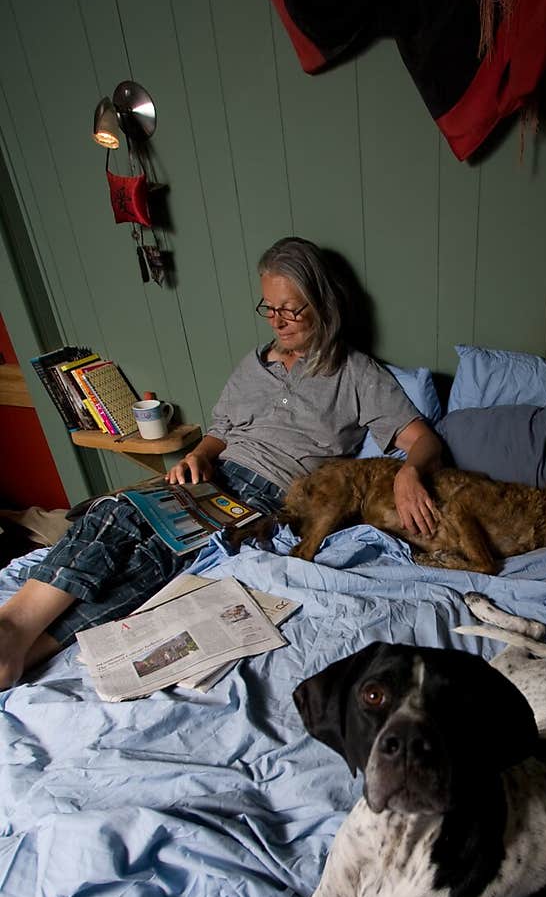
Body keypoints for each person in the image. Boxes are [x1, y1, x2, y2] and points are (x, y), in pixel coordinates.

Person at [0, 237, 443, 689]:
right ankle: (12, 624)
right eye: (268, 308)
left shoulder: (356, 374)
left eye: (291, 309)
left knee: (161, 555)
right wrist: (198, 455)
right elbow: (220, 432)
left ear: (323, 303)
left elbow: (424, 439)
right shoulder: (252, 365)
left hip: (269, 495)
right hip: (212, 475)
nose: (278, 322)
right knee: (119, 511)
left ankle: (25, 647)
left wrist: (410, 471)